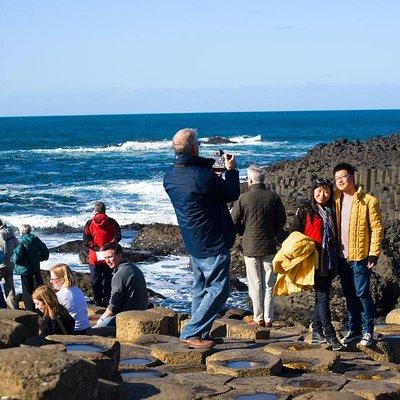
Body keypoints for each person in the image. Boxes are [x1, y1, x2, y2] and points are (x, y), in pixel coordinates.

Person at [163, 128, 240, 349]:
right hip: (212, 240)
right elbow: (231, 193)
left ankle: (200, 333)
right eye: (198, 142)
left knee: (200, 287)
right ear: (194, 147)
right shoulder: (203, 176)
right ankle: (191, 332)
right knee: (218, 288)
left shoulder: (170, 177)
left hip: (193, 240)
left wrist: (208, 169)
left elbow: (199, 192)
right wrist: (231, 171)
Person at [333, 163, 383, 347]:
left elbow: (377, 229)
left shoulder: (368, 201)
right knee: (349, 294)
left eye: (343, 177)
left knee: (362, 293)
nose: (340, 180)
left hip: (360, 256)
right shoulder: (336, 200)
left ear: (352, 178)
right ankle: (354, 330)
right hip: (341, 257)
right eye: (337, 178)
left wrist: (373, 254)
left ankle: (368, 331)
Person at [290, 178, 343, 351]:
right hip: (314, 261)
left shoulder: (331, 210)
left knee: (322, 296)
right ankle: (330, 335)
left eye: (326, 191)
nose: (322, 194)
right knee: (323, 297)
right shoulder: (306, 210)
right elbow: (294, 233)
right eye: (319, 191)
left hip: (329, 260)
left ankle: (317, 331)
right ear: (313, 191)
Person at [231, 165, 286, 328]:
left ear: (249, 180)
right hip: (269, 244)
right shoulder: (273, 196)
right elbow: (281, 221)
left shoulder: (243, 198)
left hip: (250, 245)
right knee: (269, 283)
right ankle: (269, 319)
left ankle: (258, 317)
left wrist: (243, 231)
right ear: (263, 180)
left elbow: (233, 221)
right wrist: (272, 230)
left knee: (255, 283)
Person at [94, 243, 148, 328]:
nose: (107, 261)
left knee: (96, 329)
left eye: (110, 257)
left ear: (120, 256)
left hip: (127, 317)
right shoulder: (133, 267)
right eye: (105, 258)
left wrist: (100, 320)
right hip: (141, 312)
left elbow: (113, 306)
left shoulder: (119, 274)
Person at [83, 201, 121, 307]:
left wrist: (97, 248)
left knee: (96, 281)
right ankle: (107, 301)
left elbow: (86, 240)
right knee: (108, 280)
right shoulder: (112, 222)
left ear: (95, 211)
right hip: (109, 256)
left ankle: (98, 302)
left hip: (95, 256)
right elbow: (118, 236)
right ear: (105, 210)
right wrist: (109, 246)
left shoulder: (90, 223)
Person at [11, 224, 49, 311]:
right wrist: (39, 258)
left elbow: (16, 258)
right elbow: (45, 252)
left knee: (27, 292)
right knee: (39, 289)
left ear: (22, 232)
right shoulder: (36, 239)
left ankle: (30, 311)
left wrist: (12, 259)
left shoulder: (22, 241)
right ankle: (43, 307)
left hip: (25, 270)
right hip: (35, 267)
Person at [50, 263, 90, 334]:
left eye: (52, 279)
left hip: (74, 330)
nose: (51, 281)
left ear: (62, 279)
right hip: (86, 327)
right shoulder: (77, 290)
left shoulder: (60, 295)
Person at [0, 219, 19, 308]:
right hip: (10, 263)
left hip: (1, 264)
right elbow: (17, 244)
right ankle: (13, 310)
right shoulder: (10, 231)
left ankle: (2, 308)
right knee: (10, 288)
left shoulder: (0, 234)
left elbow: (1, 251)